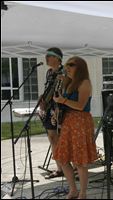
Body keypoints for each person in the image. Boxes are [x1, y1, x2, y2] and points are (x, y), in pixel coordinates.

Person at [52, 56, 97, 199]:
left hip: (80, 122)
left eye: (71, 65)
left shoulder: (85, 83)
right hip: (68, 122)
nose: (68, 68)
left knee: (79, 161)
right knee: (62, 158)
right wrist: (57, 114)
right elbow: (63, 104)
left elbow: (80, 106)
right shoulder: (69, 83)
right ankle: (73, 190)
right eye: (67, 65)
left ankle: (82, 193)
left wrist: (63, 100)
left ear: (80, 68)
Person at [39, 47, 64, 179]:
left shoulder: (64, 72)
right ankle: (60, 168)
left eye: (49, 55)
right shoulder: (49, 72)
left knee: (63, 140)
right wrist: (42, 99)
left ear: (57, 58)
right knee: (53, 139)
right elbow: (47, 89)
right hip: (49, 109)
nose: (46, 58)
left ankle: (71, 167)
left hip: (60, 110)